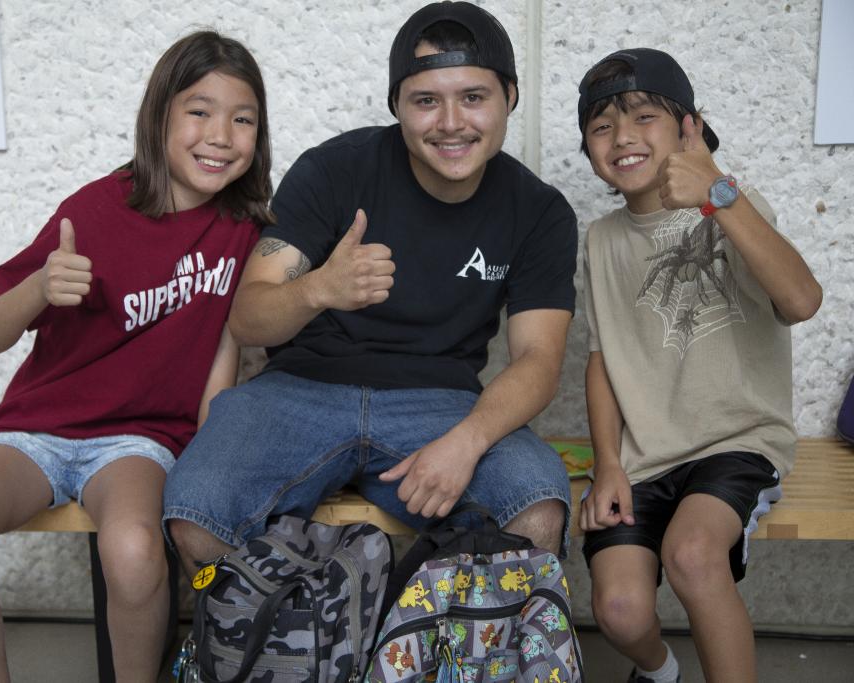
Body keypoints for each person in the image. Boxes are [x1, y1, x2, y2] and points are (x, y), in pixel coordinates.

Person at [164, 1, 578, 576]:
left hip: (442, 403)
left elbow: (540, 359)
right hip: (299, 390)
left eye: (474, 97)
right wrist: (318, 289)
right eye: (426, 100)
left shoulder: (538, 212)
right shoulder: (335, 169)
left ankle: (455, 655)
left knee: (536, 505)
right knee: (195, 508)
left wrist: (468, 441)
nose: (451, 122)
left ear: (510, 96)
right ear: (398, 107)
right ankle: (282, 653)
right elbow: (249, 318)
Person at [0, 31, 271, 682]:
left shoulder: (246, 230)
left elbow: (227, 354)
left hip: (139, 442)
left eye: (242, 117)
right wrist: (39, 287)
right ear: (159, 115)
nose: (221, 133)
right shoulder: (96, 208)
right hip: (36, 430)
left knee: (136, 548)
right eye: (199, 110)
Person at [576, 48, 822, 683]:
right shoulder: (600, 240)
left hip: (735, 442)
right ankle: (660, 673)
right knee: (621, 611)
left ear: (689, 125)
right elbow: (602, 361)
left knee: (691, 555)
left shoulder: (731, 204)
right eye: (601, 125)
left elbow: (800, 300)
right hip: (642, 458)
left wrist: (718, 193)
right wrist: (607, 465)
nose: (623, 137)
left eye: (643, 116)